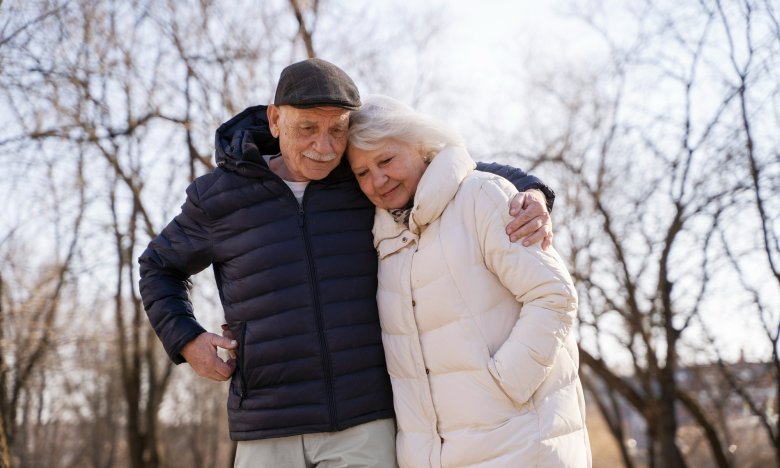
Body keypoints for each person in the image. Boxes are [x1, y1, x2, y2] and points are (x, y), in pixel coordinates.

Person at [138, 59, 555, 468]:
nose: (324, 148)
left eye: (337, 130)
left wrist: (532, 194)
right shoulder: (219, 197)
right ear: (275, 119)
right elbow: (158, 267)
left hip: (365, 422)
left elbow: (454, 169)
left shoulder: (363, 178)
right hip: (267, 422)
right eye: (307, 129)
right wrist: (187, 339)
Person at [346, 94, 592, 468]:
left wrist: (504, 385)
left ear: (421, 147)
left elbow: (553, 295)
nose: (378, 180)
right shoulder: (386, 240)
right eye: (362, 172)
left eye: (386, 160)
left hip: (521, 445)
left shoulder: (482, 196)